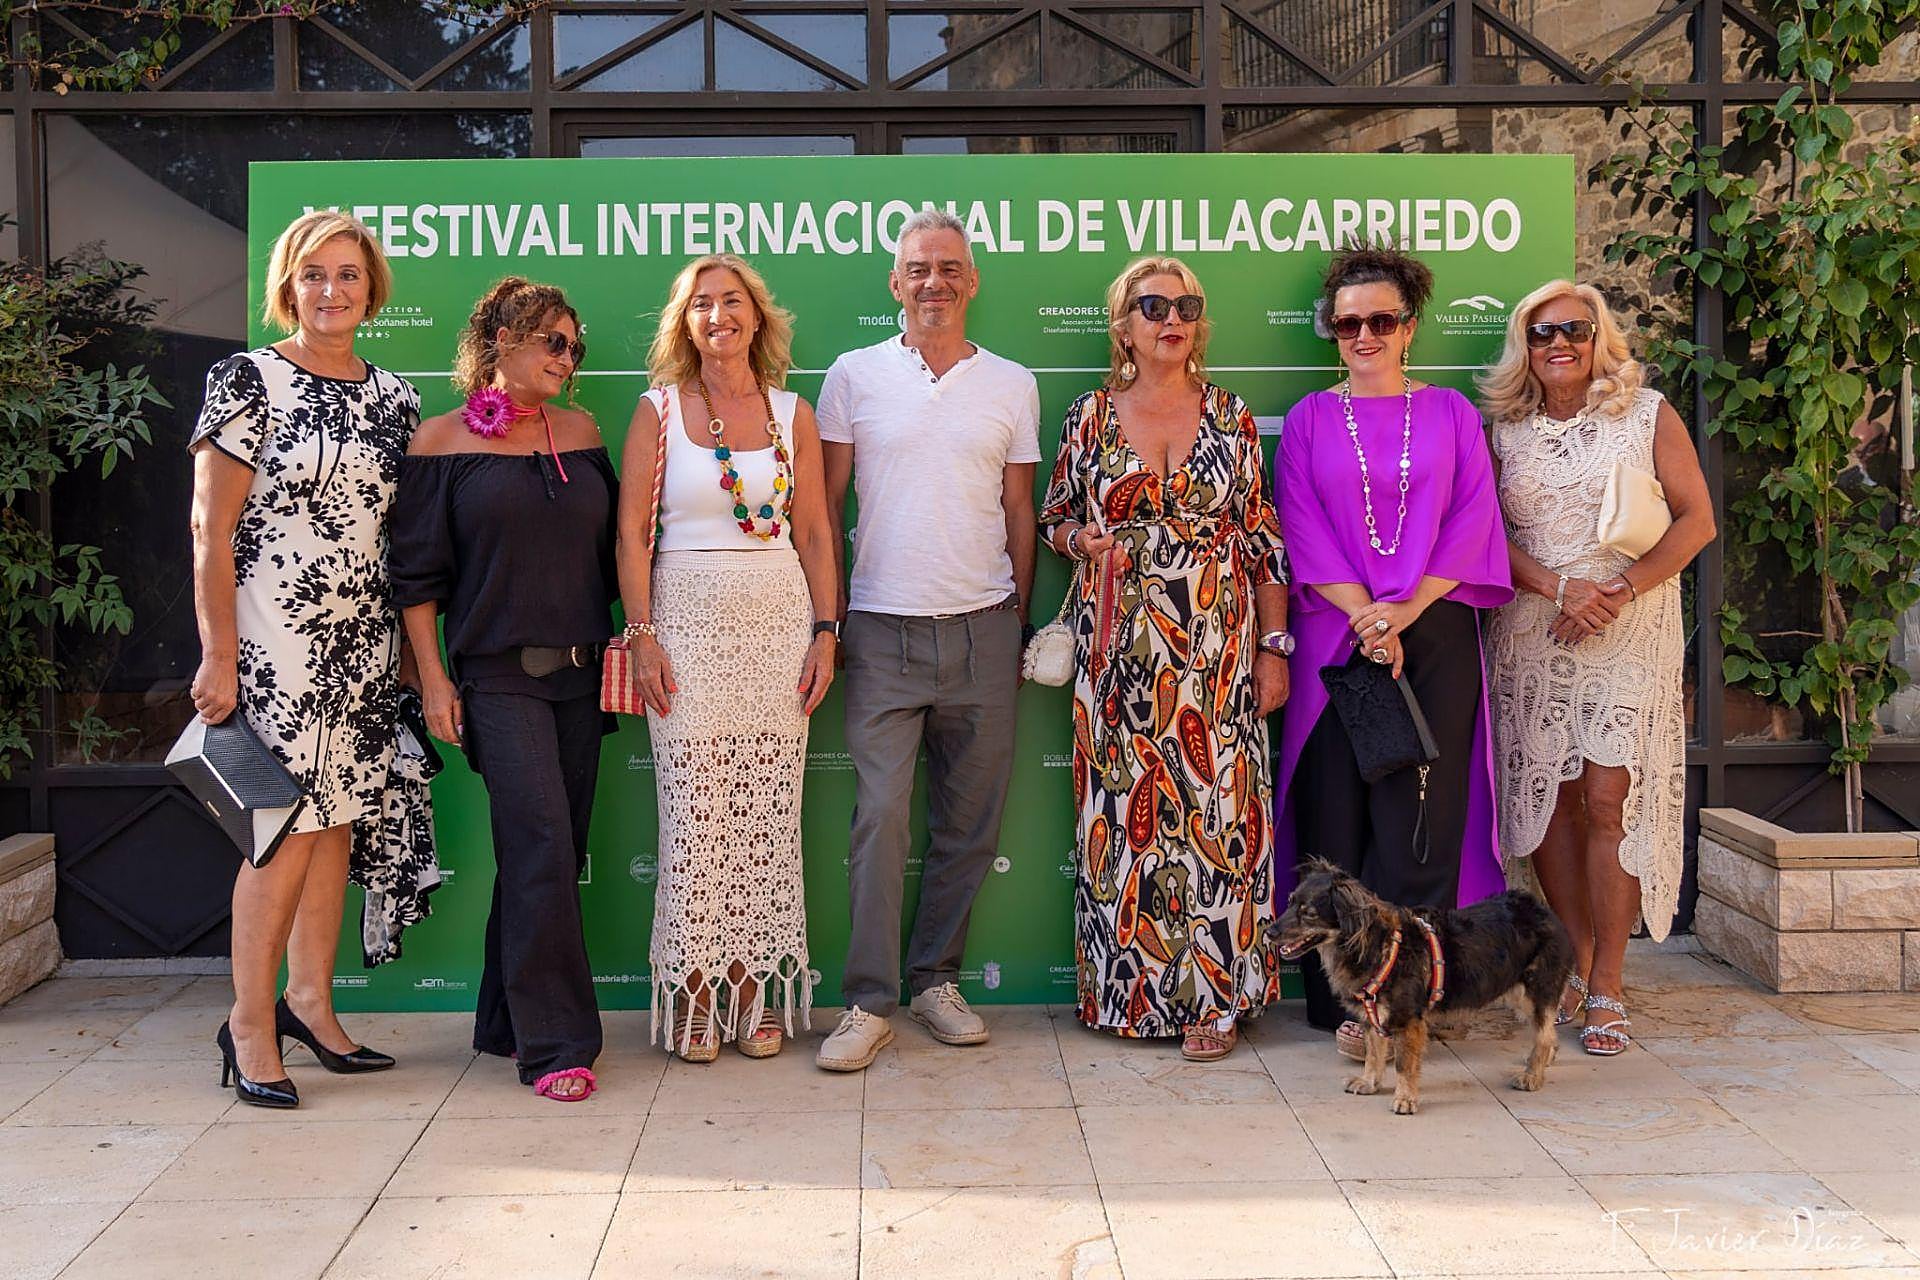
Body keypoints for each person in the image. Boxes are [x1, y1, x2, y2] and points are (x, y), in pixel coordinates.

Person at [188, 210, 416, 1108]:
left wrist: (405, 653)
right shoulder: (248, 379)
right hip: (274, 644)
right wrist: (219, 653)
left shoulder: (395, 398)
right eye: (314, 273)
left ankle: (311, 1003)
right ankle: (248, 1024)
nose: (332, 290)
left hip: (363, 644)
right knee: (279, 832)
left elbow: (396, 536)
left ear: (372, 288)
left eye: (348, 274)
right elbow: (209, 529)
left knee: (337, 825)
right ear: (288, 285)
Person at [1038, 257, 1289, 1061]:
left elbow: (1262, 539)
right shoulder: (1088, 418)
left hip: (1218, 653)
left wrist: (1273, 646)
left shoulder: (1230, 415)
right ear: (1124, 326)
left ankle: (1217, 1000)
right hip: (1120, 654)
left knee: (1220, 819)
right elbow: (1053, 518)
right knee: (1123, 820)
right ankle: (1129, 994)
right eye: (1153, 307)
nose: (1171, 319)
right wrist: (1080, 539)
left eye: (1185, 306)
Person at [1272, 244, 1514, 1058]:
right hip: (1335, 638)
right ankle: (1343, 1002)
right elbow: (1300, 525)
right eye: (1348, 324)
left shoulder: (1451, 414)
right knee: (1334, 817)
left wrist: (1405, 611)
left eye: (1381, 320)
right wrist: (1369, 619)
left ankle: (1409, 998)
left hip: (1433, 628)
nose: (1364, 335)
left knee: (1422, 819)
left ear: (1410, 327)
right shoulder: (1309, 419)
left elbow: (1474, 517)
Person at [813, 208, 1041, 1072]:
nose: (933, 282)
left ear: (972, 281)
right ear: (895, 283)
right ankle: (868, 1002)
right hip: (880, 629)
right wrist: (829, 619)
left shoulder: (1012, 383)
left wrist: (1016, 620)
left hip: (984, 627)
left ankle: (936, 981)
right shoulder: (853, 375)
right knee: (880, 820)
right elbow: (823, 510)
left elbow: (1019, 509)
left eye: (949, 268)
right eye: (918, 269)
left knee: (970, 825)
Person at [391, 277, 617, 1102]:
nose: (567, 357)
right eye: (553, 341)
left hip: (583, 678)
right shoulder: (439, 441)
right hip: (495, 677)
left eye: (574, 346)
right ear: (502, 340)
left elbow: (613, 557)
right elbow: (417, 578)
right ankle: (557, 1046)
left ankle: (500, 1020)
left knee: (548, 854)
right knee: (542, 846)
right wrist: (434, 681)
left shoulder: (583, 432)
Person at [1481, 279, 1713, 1057]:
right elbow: (1484, 534)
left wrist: (1616, 592)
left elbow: (1696, 521)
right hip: (1533, 629)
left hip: (1627, 627)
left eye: (1574, 330)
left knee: (1611, 797)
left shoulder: (1646, 413)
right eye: (1542, 332)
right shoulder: (1503, 429)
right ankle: (1575, 963)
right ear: (1524, 345)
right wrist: (1559, 589)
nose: (1559, 344)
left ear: (1597, 337)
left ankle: (1610, 981)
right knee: (1551, 802)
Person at [616, 255, 839, 1062]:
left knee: (765, 820)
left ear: (758, 316)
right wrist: (642, 633)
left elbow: (813, 531)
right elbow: (630, 535)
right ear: (685, 322)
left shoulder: (792, 412)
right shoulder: (658, 409)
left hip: (778, 625)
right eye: (702, 304)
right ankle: (694, 993)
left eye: (733, 301)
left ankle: (751, 989)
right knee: (695, 821)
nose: (719, 315)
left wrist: (826, 632)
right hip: (685, 624)